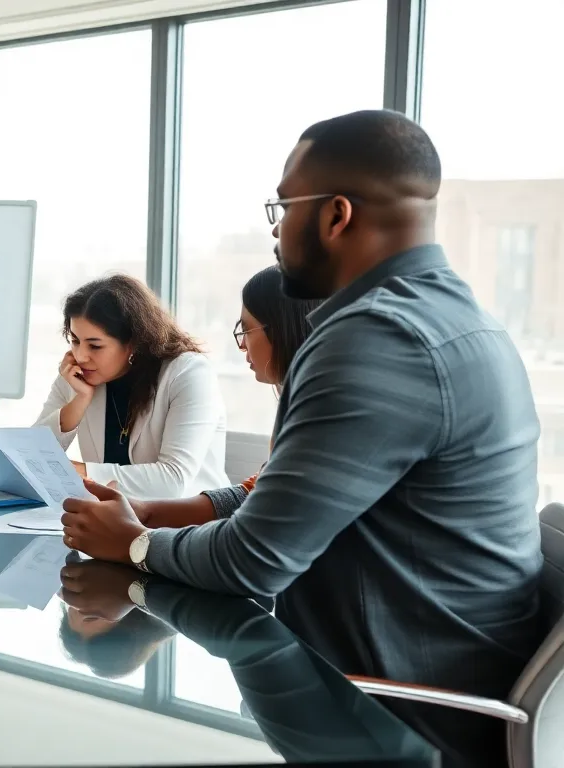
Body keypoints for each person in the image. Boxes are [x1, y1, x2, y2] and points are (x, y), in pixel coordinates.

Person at [59, 110, 543, 768]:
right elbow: (297, 496)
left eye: (283, 207)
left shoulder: (377, 340)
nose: (277, 229)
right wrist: (156, 513)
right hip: (385, 680)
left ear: (335, 215)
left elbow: (253, 561)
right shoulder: (453, 318)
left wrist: (136, 543)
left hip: (401, 717)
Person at [131, 265, 320, 529]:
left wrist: (139, 542)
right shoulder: (298, 402)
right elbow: (252, 493)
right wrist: (143, 511)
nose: (241, 344)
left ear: (282, 328)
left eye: (246, 330)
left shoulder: (320, 419)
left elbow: (256, 531)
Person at [34, 274, 228, 499]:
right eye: (75, 340)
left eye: (95, 346)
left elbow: (173, 481)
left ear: (134, 342)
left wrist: (79, 472)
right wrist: (79, 402)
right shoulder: (77, 373)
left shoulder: (188, 372)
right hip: (114, 520)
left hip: (188, 526)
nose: (81, 356)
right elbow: (28, 457)